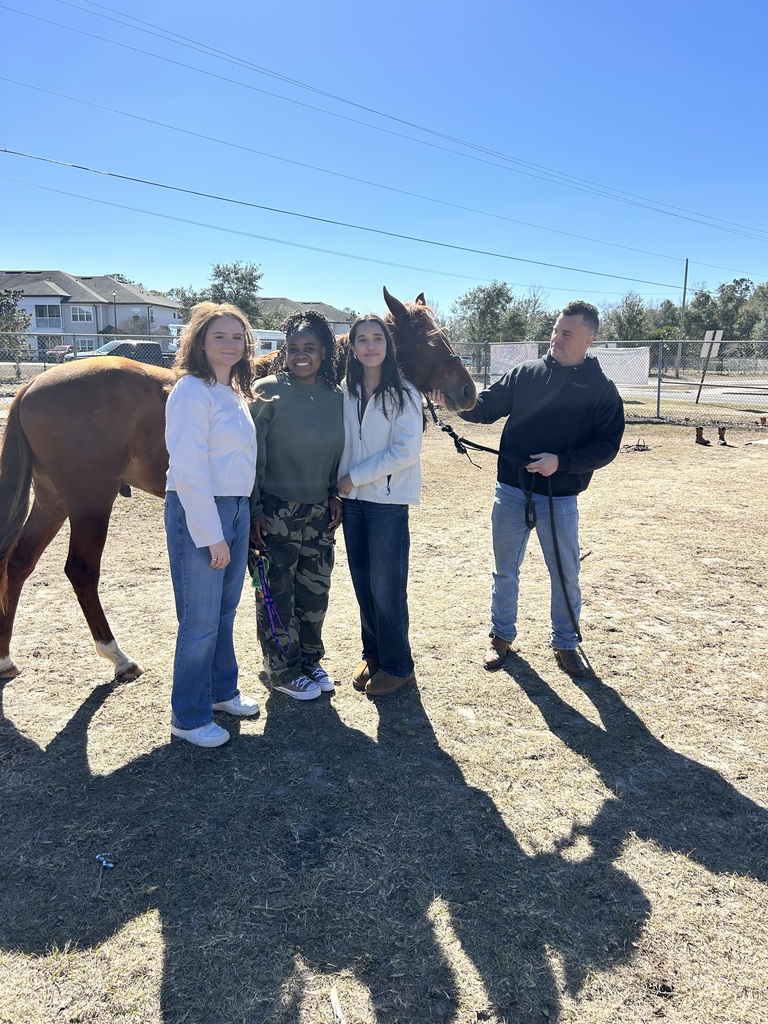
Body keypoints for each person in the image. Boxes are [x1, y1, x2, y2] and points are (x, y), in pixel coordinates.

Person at [430, 300, 624, 677]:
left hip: (560, 498)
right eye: (555, 330)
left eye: (566, 333)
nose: (556, 338)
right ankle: (500, 636)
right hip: (512, 491)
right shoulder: (526, 374)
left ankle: (565, 643)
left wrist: (561, 462)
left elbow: (607, 446)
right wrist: (454, 403)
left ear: (589, 338)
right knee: (505, 569)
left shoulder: (601, 388)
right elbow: (484, 407)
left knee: (565, 572)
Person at [165, 302, 260, 747]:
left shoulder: (235, 393)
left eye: (237, 337)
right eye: (219, 336)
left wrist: (239, 519)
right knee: (200, 619)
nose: (230, 344)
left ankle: (222, 692)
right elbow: (187, 469)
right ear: (200, 342)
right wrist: (212, 534)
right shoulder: (190, 390)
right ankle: (188, 716)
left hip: (236, 507)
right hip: (202, 509)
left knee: (223, 612)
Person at [249, 310, 344, 701]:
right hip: (275, 514)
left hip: (320, 513)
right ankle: (282, 670)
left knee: (314, 593)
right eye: (293, 349)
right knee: (274, 593)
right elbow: (251, 456)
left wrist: (336, 494)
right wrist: (254, 511)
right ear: (283, 352)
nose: (301, 355)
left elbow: (343, 454)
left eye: (310, 348)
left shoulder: (337, 397)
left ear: (324, 351)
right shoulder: (266, 390)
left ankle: (309, 660)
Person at [337, 314, 424, 696]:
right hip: (352, 502)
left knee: (386, 587)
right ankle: (372, 654)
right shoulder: (346, 391)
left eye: (377, 339)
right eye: (362, 340)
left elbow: (405, 452)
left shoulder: (404, 393)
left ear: (388, 346)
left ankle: (397, 664)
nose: (370, 346)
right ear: (352, 348)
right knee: (362, 583)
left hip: (386, 504)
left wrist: (354, 477)